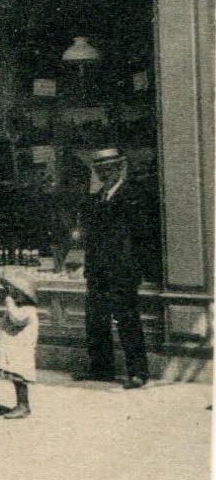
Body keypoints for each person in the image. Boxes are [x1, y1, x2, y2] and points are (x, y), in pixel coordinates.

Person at [75, 146, 153, 388]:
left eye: (108, 169)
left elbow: (142, 236)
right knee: (95, 320)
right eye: (99, 170)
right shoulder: (95, 199)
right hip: (98, 270)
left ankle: (137, 372)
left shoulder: (133, 195)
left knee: (127, 319)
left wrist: (136, 268)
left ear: (119, 168)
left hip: (122, 270)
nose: (103, 174)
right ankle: (101, 369)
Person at [0, 270, 38, 419]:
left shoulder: (28, 310)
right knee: (16, 377)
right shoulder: (19, 307)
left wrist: (9, 303)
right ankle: (21, 404)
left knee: (20, 377)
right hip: (13, 348)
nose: (10, 295)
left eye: (14, 293)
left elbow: (16, 319)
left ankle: (23, 405)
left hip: (21, 350)